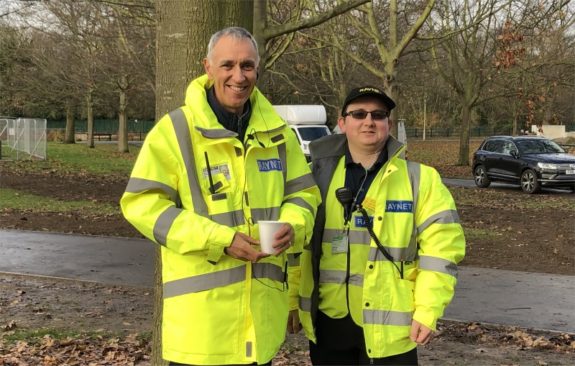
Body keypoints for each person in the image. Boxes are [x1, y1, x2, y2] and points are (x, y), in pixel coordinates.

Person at [120, 27, 320, 365]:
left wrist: (293, 225)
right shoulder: (176, 130)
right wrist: (219, 240)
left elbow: (305, 195)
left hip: (260, 329)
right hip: (201, 332)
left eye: (248, 66)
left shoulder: (279, 134)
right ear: (208, 68)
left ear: (258, 69)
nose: (238, 76)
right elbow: (141, 204)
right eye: (227, 65)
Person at [296, 86, 466, 365]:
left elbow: (442, 253)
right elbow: (300, 246)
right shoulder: (317, 176)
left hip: (391, 330)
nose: (369, 121)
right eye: (359, 113)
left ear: (388, 123)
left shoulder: (421, 180)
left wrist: (428, 310)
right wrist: (293, 300)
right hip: (329, 324)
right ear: (342, 123)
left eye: (378, 114)